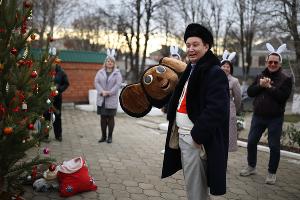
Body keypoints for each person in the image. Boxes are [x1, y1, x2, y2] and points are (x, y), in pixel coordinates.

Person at [161, 23, 230, 199]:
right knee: (194, 187)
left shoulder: (214, 72)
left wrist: (197, 136)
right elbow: (181, 97)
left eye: (195, 45)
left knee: (195, 191)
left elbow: (217, 109)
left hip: (195, 139)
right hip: (183, 135)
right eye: (188, 45)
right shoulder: (192, 69)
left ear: (206, 46)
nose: (191, 49)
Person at [240, 43, 292, 185]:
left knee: (274, 146)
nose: (273, 64)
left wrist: (269, 87)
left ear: (279, 63)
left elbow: (282, 97)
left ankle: (271, 173)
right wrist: (260, 86)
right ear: (267, 62)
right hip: (258, 115)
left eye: (275, 62)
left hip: (275, 117)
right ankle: (251, 167)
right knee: (251, 142)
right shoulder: (260, 75)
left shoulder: (286, 79)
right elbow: (250, 92)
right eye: (270, 62)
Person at [94, 49, 122, 144]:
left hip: (111, 99)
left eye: (111, 62)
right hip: (102, 99)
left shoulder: (117, 73)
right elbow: (96, 82)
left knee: (110, 118)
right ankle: (103, 136)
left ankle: (110, 137)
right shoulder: (100, 72)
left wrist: (109, 92)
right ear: (105, 63)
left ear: (114, 63)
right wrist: (102, 91)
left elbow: (118, 85)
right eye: (108, 61)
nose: (109, 63)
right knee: (102, 118)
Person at [220, 50, 241, 152]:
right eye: (223, 66)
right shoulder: (214, 78)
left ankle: (223, 164)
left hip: (229, 111)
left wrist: (233, 109)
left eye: (227, 66)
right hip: (216, 110)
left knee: (227, 139)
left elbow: (238, 98)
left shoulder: (234, 81)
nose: (225, 68)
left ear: (230, 69)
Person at [45, 64, 69, 142]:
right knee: (46, 116)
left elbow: (66, 83)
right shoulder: (45, 69)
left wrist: (59, 90)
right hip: (47, 98)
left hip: (57, 98)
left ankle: (58, 135)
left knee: (57, 116)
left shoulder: (61, 72)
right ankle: (44, 135)